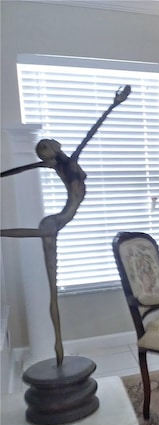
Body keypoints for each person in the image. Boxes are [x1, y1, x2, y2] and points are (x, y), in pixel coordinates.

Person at [1, 85, 130, 366]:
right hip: (56, 222)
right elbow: (90, 133)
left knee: (52, 287)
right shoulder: (67, 164)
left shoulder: (60, 166)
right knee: (52, 285)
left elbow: (89, 133)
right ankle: (58, 345)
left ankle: (59, 346)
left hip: (56, 221)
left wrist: (115, 103)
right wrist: (113, 104)